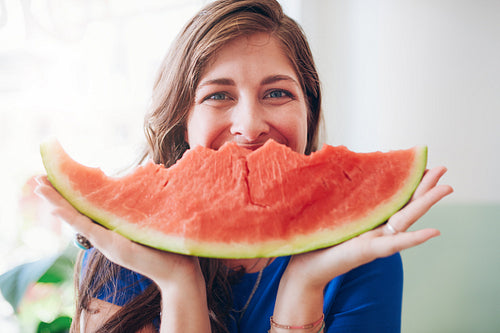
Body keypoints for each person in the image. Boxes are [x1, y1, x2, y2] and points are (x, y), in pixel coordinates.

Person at [35, 0, 453, 332]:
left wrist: (304, 284)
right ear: (184, 118)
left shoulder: (359, 257)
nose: (250, 126)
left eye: (276, 94)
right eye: (218, 96)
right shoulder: (119, 255)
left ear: (309, 108)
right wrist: (180, 286)